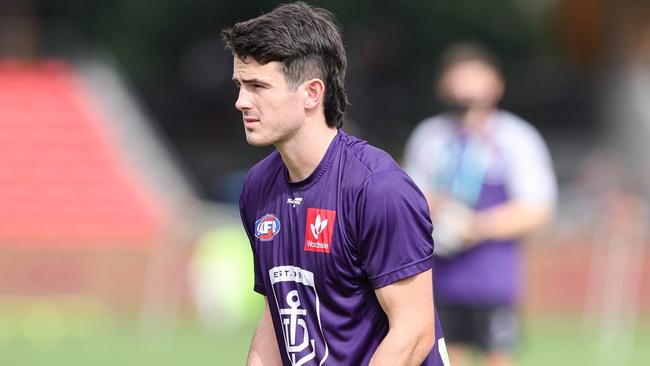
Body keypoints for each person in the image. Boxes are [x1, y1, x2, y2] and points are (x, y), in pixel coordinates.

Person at [222, 3, 449, 365]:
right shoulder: (258, 187)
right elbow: (277, 312)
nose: (240, 101)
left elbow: (413, 331)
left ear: (313, 93)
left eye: (257, 86)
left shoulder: (379, 189)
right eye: (240, 85)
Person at [403, 42, 557, 366]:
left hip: (494, 280)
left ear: (495, 85)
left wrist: (478, 226)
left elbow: (538, 209)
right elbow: (407, 202)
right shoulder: (430, 138)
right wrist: (434, 208)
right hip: (438, 279)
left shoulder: (516, 139)